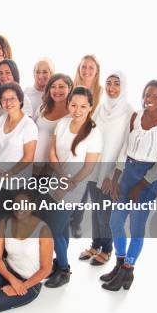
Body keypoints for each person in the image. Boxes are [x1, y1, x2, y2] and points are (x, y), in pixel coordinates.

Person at [101, 80, 157, 291]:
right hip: (127, 175)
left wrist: (141, 185)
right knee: (115, 223)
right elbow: (125, 148)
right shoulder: (136, 116)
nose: (149, 100)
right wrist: (116, 177)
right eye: (146, 95)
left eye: (155, 97)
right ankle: (119, 264)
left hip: (147, 181)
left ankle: (128, 270)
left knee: (136, 229)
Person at [45, 86, 102, 288]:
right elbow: (52, 152)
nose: (77, 110)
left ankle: (64, 269)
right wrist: (60, 177)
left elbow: (89, 167)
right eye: (74, 105)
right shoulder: (62, 124)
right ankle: (59, 262)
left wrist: (68, 185)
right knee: (60, 228)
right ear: (68, 104)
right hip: (56, 180)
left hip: (74, 187)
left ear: (90, 107)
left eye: (83, 106)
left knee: (53, 228)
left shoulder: (94, 133)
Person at [79, 72, 132, 266]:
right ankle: (95, 244)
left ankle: (107, 249)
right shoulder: (100, 109)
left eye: (116, 84)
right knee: (95, 209)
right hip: (95, 168)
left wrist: (114, 176)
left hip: (112, 172)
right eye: (108, 84)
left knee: (105, 212)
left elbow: (126, 147)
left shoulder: (129, 112)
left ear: (123, 86)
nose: (111, 88)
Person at [0, 83, 38, 221]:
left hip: (19, 184)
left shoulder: (29, 126)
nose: (8, 102)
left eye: (12, 98)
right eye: (4, 99)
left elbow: (28, 157)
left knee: (18, 222)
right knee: (1, 218)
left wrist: (10, 173)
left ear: (20, 100)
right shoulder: (1, 119)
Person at [70, 55, 103, 237]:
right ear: (79, 69)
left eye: (91, 67)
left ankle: (76, 221)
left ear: (97, 70)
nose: (87, 71)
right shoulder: (73, 88)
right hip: (73, 138)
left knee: (84, 178)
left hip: (91, 139)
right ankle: (67, 215)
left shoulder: (102, 92)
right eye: (84, 67)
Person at [33, 74, 73, 169]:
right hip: (32, 164)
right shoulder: (42, 108)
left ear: (70, 88)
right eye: (53, 87)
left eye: (61, 87)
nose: (57, 90)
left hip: (52, 169)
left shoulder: (72, 115)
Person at [0, 59, 33, 123]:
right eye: (0, 73)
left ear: (14, 74)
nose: (3, 76)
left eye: (8, 73)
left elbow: (26, 125)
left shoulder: (23, 99)